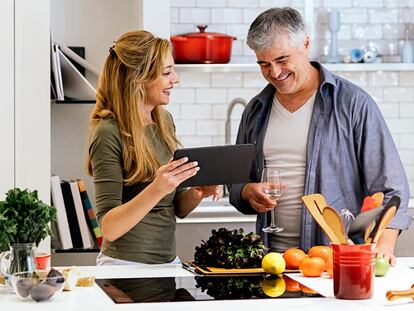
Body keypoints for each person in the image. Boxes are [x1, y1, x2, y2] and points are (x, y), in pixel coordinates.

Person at [229, 7, 411, 265]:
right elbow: (237, 185)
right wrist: (248, 192)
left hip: (336, 263)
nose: (275, 73)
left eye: (282, 60)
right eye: (264, 64)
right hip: (273, 263)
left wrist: (383, 247)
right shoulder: (256, 110)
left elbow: (392, 190)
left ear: (305, 43)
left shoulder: (353, 104)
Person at [86, 30, 221, 265]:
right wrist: (157, 188)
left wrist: (197, 192)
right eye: (167, 72)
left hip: (168, 262)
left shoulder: (164, 121)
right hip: (125, 265)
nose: (175, 79)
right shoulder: (108, 132)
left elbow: (176, 206)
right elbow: (109, 227)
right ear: (139, 78)